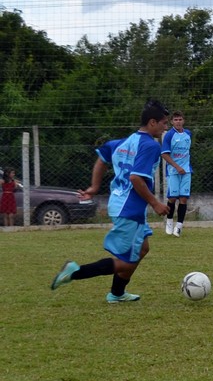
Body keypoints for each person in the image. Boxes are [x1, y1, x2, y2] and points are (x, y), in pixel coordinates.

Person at [50, 100, 171, 302]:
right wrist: (155, 203)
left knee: (142, 248)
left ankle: (117, 293)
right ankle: (74, 272)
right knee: (125, 263)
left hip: (119, 203)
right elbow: (136, 178)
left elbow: (102, 158)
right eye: (163, 123)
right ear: (152, 122)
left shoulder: (124, 142)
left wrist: (94, 187)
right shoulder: (150, 145)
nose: (165, 127)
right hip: (129, 209)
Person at [161, 110, 193, 237]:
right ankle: (169, 221)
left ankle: (179, 226)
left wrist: (184, 166)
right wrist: (177, 166)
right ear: (172, 122)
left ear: (183, 120)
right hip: (173, 171)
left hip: (187, 170)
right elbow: (164, 154)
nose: (178, 122)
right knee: (173, 198)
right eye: (176, 120)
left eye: (180, 119)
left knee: (184, 198)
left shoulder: (188, 134)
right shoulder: (169, 135)